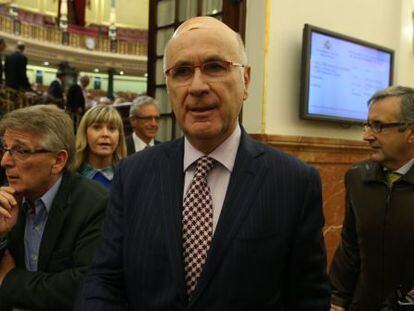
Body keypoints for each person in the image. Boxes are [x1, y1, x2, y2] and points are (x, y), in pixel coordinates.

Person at [77, 16, 330, 310]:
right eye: (182, 71)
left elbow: (308, 299)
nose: (197, 86)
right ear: (169, 86)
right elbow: (105, 279)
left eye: (214, 67)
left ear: (245, 81)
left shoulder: (294, 183)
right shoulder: (132, 174)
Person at [0, 105, 108, 310]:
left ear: (58, 161)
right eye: (5, 149)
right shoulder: (7, 199)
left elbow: (85, 286)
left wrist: (10, 281)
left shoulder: (94, 204)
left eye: (21, 151)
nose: (5, 161)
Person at [329, 86, 414, 311]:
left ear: (411, 132)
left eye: (379, 126)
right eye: (368, 125)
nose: (367, 136)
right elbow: (350, 248)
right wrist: (337, 300)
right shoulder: (357, 177)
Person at [73, 104, 127, 189]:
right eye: (97, 127)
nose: (105, 134)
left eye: (111, 128)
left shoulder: (128, 178)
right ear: (84, 133)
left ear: (119, 136)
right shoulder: (70, 177)